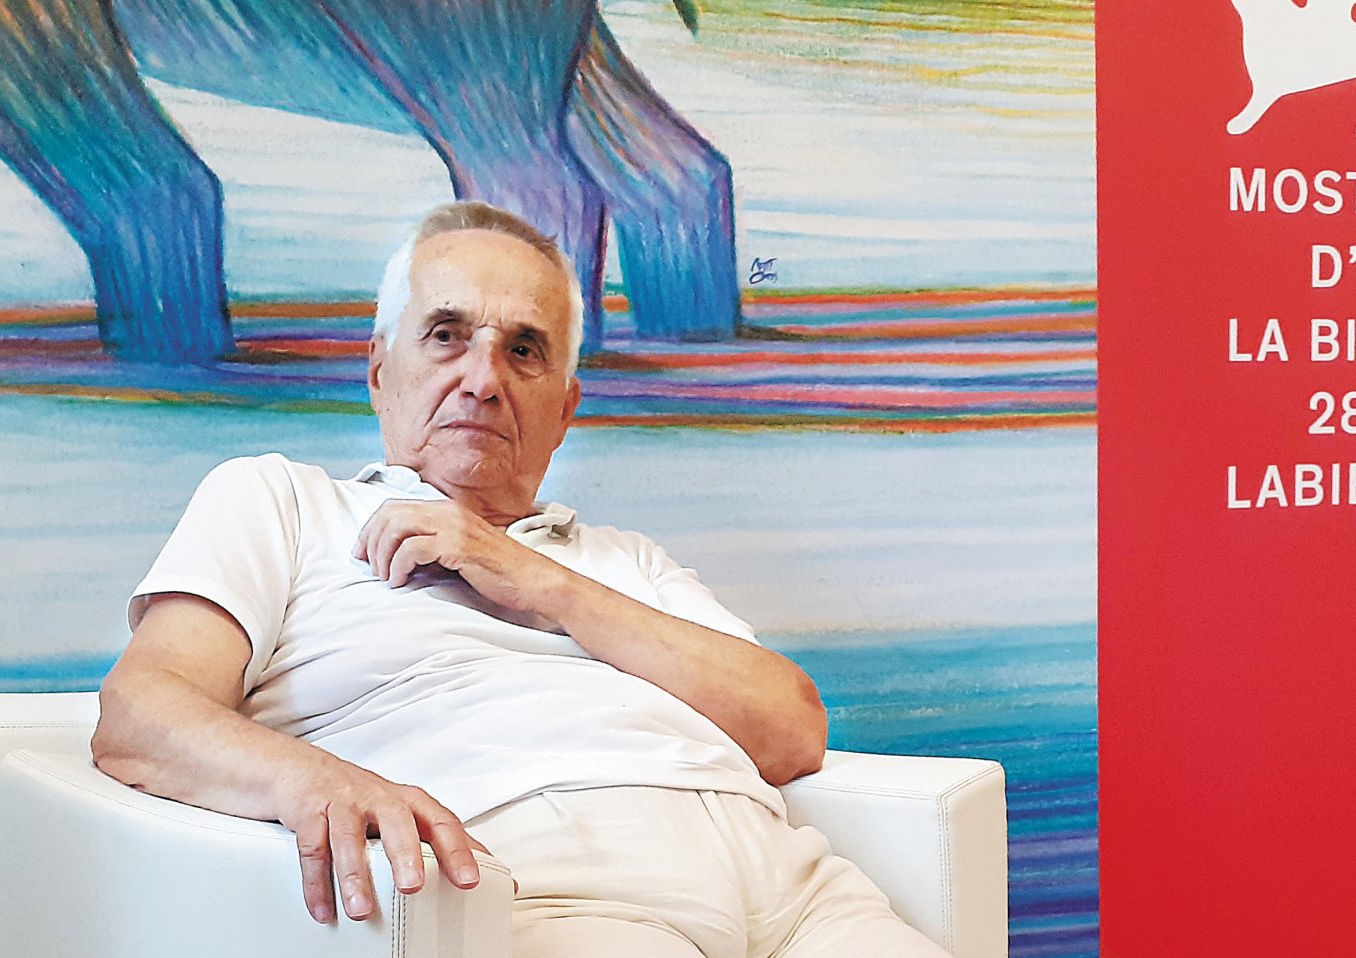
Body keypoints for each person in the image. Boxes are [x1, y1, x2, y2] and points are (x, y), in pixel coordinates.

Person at [90, 201, 948, 957]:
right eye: (446, 335)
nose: (483, 380)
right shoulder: (283, 502)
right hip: (560, 883)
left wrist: (537, 581)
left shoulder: (625, 561)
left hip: (795, 889)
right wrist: (313, 781)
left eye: (524, 350)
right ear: (380, 373)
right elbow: (139, 716)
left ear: (565, 409)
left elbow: (790, 731)